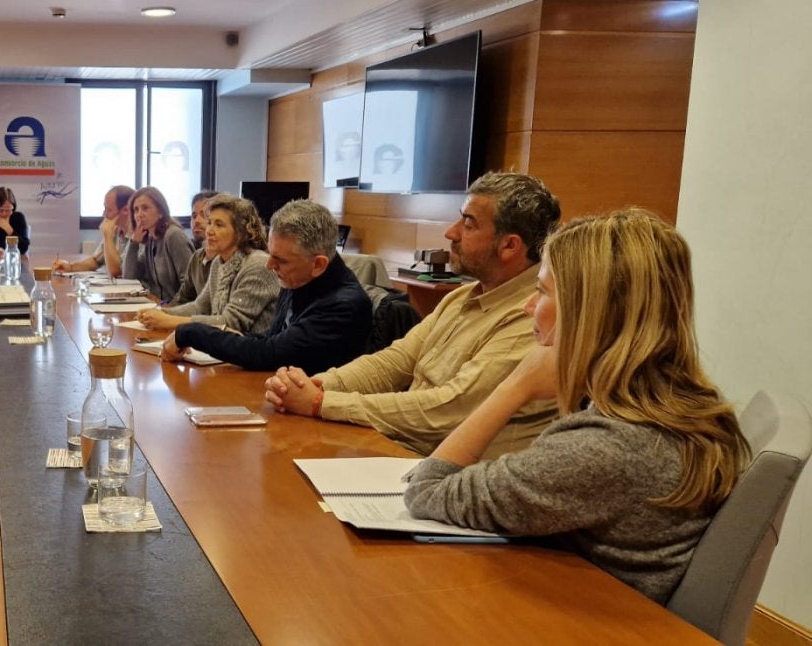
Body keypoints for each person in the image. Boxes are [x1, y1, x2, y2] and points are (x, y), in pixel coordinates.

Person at [403, 209, 750, 604]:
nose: (527, 308)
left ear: (591, 313)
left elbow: (427, 491)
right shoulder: (678, 408)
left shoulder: (608, 447)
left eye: (544, 292)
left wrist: (513, 386)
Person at [265, 172, 562, 458]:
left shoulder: (533, 317)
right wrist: (317, 385)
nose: (451, 232)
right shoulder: (460, 297)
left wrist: (320, 402)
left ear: (509, 245)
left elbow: (448, 409)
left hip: (454, 479)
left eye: (468, 224)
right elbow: (395, 361)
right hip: (402, 452)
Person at [163, 200, 371, 373]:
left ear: (318, 264)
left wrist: (190, 332)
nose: (269, 265)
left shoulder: (344, 306)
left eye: (281, 260)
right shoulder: (299, 277)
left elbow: (269, 353)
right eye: (270, 254)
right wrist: (230, 335)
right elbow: (273, 338)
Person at [138, 195, 278, 335]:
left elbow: (230, 322)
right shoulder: (219, 262)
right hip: (224, 348)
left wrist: (168, 320)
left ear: (240, 232)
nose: (209, 231)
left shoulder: (258, 265)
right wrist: (160, 312)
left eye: (219, 225)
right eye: (209, 222)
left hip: (251, 352)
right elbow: (200, 307)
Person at [122, 186, 195, 301]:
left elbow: (191, 285)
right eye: (136, 210)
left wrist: (169, 308)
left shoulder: (173, 236)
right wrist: (133, 243)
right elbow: (129, 278)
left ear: (161, 212)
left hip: (177, 311)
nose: (139, 214)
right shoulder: (151, 240)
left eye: (145, 208)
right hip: (158, 307)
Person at [52, 185, 134, 277]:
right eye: (105, 208)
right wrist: (70, 267)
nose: (104, 214)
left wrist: (107, 235)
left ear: (126, 210)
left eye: (109, 210)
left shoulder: (138, 234)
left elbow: (116, 271)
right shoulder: (116, 231)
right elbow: (95, 261)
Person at [166, 190, 222, 306]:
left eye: (204, 215)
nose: (196, 221)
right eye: (194, 216)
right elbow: (182, 298)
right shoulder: (197, 257)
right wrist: (163, 313)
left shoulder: (227, 258)